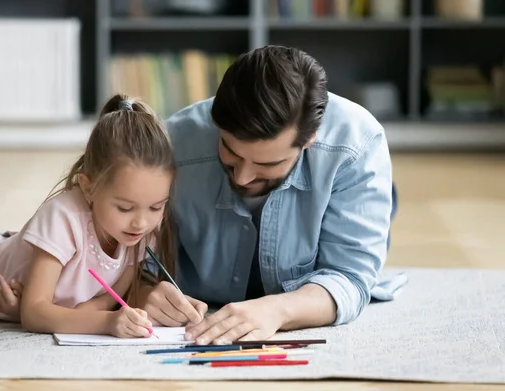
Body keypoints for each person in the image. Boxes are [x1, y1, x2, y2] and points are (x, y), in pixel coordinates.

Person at [135, 45, 406, 345]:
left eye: (267, 164)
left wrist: (278, 310)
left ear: (309, 140)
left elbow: (350, 277)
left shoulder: (357, 145)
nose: (243, 177)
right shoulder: (169, 144)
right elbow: (130, 259)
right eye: (230, 152)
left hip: (341, 194)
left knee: (371, 226)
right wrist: (144, 291)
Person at [0, 93, 201, 338]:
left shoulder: (140, 230)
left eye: (156, 207)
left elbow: (105, 301)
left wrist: (83, 315)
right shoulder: (63, 216)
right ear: (88, 188)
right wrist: (106, 324)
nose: (141, 222)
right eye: (124, 208)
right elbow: (35, 313)